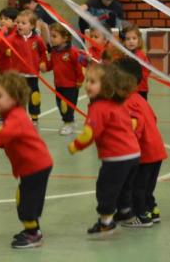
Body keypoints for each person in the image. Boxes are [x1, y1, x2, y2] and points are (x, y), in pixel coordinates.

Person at [0, 73, 53, 249]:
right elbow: (9, 140)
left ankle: (33, 235)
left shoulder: (16, 117)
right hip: (34, 166)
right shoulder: (12, 116)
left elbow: (6, 134)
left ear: (15, 98)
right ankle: (32, 230)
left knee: (26, 202)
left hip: (35, 166)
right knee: (27, 199)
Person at [67, 64, 140, 235]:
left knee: (106, 188)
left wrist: (75, 146)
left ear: (106, 85)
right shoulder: (117, 104)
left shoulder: (98, 108)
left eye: (92, 82)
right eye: (87, 81)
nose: (87, 85)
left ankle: (106, 222)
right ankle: (125, 212)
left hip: (117, 157)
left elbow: (89, 134)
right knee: (124, 186)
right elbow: (131, 123)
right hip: (134, 154)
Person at [116, 58, 167, 227]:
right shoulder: (139, 98)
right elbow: (153, 118)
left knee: (136, 187)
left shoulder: (128, 102)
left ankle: (141, 216)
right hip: (156, 151)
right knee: (147, 186)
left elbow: (134, 126)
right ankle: (153, 210)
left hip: (144, 154)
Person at [47, 24, 86, 135]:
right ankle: (70, 121)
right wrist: (45, 66)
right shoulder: (54, 51)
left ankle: (68, 123)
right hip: (58, 84)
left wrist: (80, 80)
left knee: (67, 106)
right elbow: (51, 65)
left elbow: (79, 67)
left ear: (65, 38)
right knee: (60, 105)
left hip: (71, 85)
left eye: (54, 36)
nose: (51, 39)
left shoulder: (72, 52)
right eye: (51, 36)